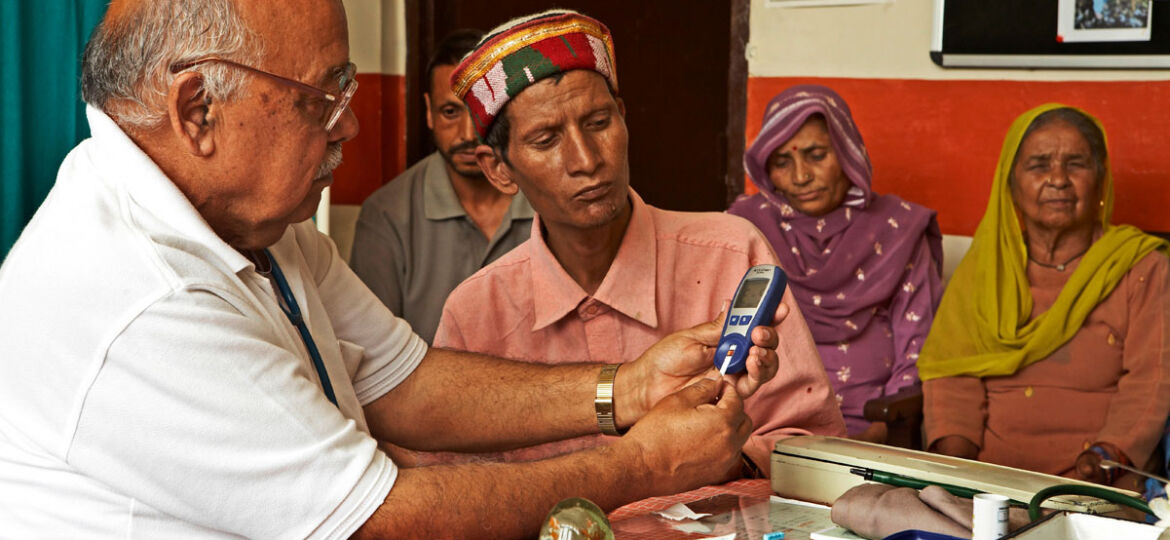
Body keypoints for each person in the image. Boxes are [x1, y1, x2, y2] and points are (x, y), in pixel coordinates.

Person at [0, 1, 788, 537]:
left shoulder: (253, 225)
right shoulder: (138, 292)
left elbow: (401, 383)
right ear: (199, 110)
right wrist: (643, 462)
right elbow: (380, 520)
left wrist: (630, 389)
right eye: (322, 95)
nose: (347, 126)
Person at [432, 9, 846, 473]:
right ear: (498, 169)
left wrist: (725, 460)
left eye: (598, 122)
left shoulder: (731, 255)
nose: (587, 160)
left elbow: (815, 447)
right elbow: (451, 480)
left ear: (624, 118)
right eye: (546, 139)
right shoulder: (474, 314)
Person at [920, 104, 1170, 488]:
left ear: (1100, 181)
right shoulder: (987, 268)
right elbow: (954, 377)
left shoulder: (1141, 268)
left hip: (1097, 483)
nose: (1058, 179)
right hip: (990, 483)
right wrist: (952, 476)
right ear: (1011, 184)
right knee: (871, 510)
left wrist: (1108, 455)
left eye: (1076, 164)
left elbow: (1151, 382)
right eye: (1039, 165)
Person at [727, 85, 943, 443]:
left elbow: (918, 348)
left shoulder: (897, 231)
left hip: (873, 427)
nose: (800, 176)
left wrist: (883, 431)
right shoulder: (746, 229)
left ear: (847, 152)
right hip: (764, 426)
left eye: (816, 155)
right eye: (782, 162)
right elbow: (727, 339)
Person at [349, 29, 533, 344]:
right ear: (428, 111)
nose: (468, 134)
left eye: (481, 111)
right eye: (450, 112)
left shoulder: (546, 197)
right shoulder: (387, 215)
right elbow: (372, 356)